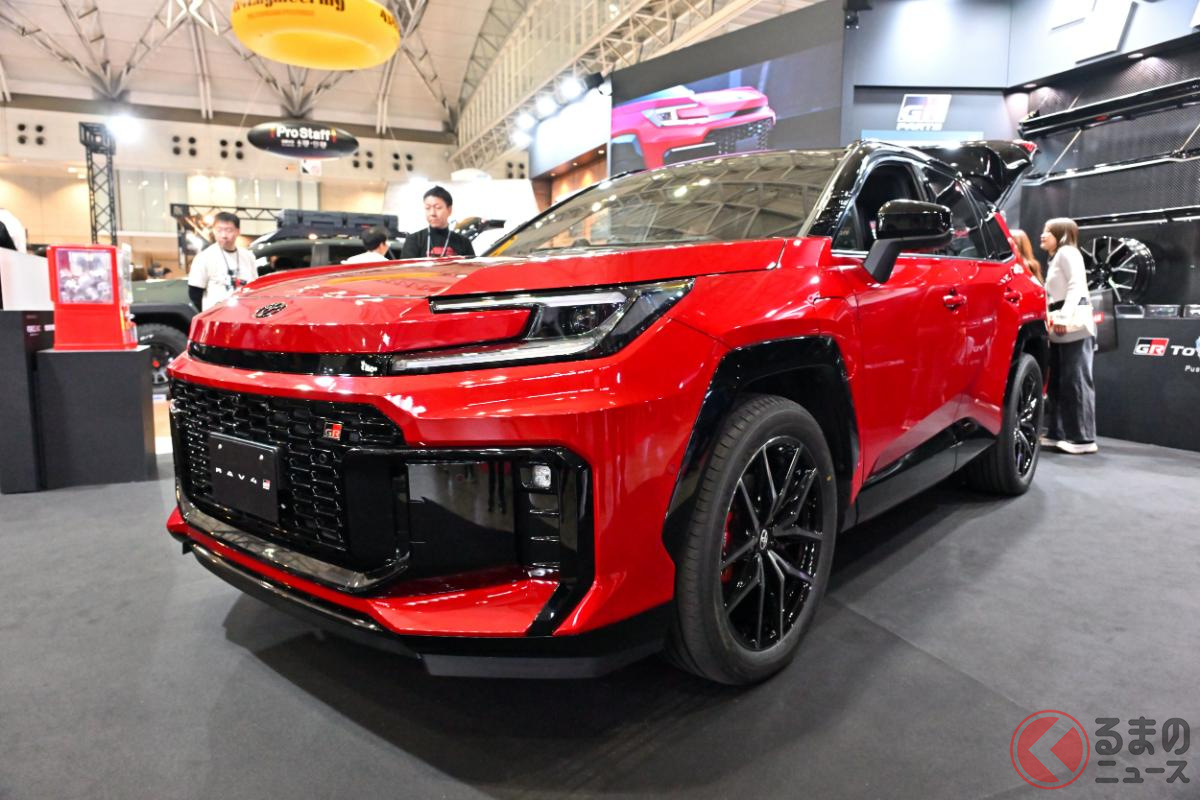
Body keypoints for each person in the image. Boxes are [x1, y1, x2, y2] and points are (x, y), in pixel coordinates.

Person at [1040, 217, 1097, 454]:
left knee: (1076, 380)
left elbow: (1077, 286)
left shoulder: (1068, 253)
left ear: (1061, 234)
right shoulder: (1056, 257)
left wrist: (1064, 316)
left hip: (1070, 323)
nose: (1043, 235)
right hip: (1059, 325)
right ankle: (1058, 432)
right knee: (1058, 380)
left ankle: (1083, 438)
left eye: (1048, 231)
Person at [187, 212, 257, 311]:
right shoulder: (204, 257)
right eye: (219, 230)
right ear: (213, 231)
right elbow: (195, 292)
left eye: (229, 230)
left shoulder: (248, 256)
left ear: (238, 231)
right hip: (216, 315)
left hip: (244, 313)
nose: (224, 235)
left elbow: (254, 287)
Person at [400, 186, 475, 259]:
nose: (432, 213)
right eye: (427, 208)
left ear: (449, 210)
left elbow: (472, 266)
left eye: (438, 207)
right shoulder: (413, 240)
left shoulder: (463, 242)